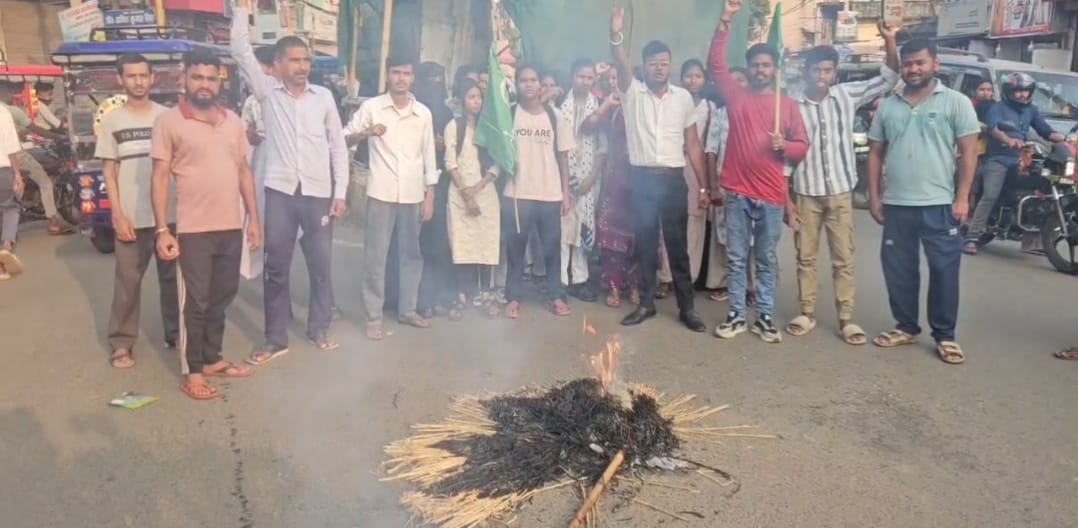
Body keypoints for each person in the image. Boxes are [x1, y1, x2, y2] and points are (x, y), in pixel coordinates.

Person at [231, 0, 350, 359]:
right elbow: (239, 50)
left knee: (320, 267)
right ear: (278, 65)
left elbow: (337, 148)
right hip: (280, 193)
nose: (302, 67)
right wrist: (240, 10)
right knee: (276, 268)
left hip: (317, 195)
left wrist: (340, 192)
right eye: (295, 60)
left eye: (306, 61)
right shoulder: (268, 93)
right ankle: (275, 339)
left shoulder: (324, 98)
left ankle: (318, 329)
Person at [150, 49, 262, 400]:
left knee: (222, 297)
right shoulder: (169, 122)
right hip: (192, 230)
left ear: (220, 81)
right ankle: (192, 371)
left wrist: (254, 220)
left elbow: (244, 171)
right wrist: (161, 230)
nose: (204, 84)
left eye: (210, 78)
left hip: (230, 226)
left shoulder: (232, 121)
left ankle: (212, 358)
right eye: (197, 77)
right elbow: (159, 177)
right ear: (184, 79)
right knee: (195, 303)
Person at [784, 25, 900, 345]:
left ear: (835, 71)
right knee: (805, 257)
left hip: (839, 192)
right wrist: (787, 200)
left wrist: (890, 40)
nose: (822, 75)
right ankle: (806, 313)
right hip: (805, 192)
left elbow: (889, 77)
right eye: (817, 70)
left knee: (843, 259)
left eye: (828, 70)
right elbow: (785, 157)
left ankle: (846, 319)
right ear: (806, 72)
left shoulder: (847, 94)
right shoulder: (791, 103)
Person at [866, 38, 980, 365]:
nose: (914, 69)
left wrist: (961, 198)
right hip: (898, 204)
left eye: (920, 63)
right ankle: (905, 327)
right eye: (908, 64)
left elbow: (969, 154)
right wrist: (875, 197)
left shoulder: (956, 102)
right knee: (899, 270)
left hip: (940, 204)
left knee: (944, 271)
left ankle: (945, 335)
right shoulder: (888, 105)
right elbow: (875, 153)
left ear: (935, 64)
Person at [708, 0, 809, 342]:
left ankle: (763, 316)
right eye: (755, 65)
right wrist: (725, 22)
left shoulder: (788, 105)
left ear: (774, 69)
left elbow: (802, 145)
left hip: (770, 196)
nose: (760, 70)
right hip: (736, 191)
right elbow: (715, 65)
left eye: (766, 65)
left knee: (765, 260)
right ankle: (736, 315)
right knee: (737, 259)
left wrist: (786, 147)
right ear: (749, 69)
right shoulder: (736, 96)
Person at [609, 7, 710, 332]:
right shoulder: (632, 93)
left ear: (671, 65)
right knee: (645, 244)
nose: (659, 68)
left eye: (664, 63)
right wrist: (616, 34)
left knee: (678, 246)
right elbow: (620, 63)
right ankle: (647, 305)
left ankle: (687, 308)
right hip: (642, 181)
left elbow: (693, 144)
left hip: (672, 182)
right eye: (653, 63)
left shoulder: (683, 98)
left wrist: (705, 187)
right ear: (645, 66)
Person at [96, 53, 180, 369]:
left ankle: (175, 335)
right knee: (128, 282)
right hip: (132, 216)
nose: (139, 81)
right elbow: (108, 170)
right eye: (131, 76)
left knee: (173, 280)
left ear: (153, 78)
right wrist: (117, 214)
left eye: (143, 75)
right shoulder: (112, 121)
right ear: (121, 80)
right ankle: (121, 343)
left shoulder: (167, 117)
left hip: (168, 216)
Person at [345, 54, 438, 340]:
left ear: (413, 78)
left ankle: (408, 310)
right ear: (387, 75)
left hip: (412, 193)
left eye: (406, 73)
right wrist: (366, 132)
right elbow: (344, 137)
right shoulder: (372, 107)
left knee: (412, 255)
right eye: (396, 72)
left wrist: (429, 195)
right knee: (376, 256)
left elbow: (428, 156)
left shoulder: (423, 113)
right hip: (381, 192)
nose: (401, 78)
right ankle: (373, 316)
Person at [503, 64, 576, 319]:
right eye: (523, 80)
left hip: (549, 192)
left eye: (534, 80)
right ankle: (512, 297)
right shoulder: (509, 115)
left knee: (552, 248)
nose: (529, 84)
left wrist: (566, 193)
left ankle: (556, 296)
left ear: (541, 85)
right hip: (517, 192)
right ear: (516, 84)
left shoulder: (555, 117)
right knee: (515, 249)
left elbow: (563, 157)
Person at [964, 72, 1064, 254]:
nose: (1022, 95)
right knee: (990, 195)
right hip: (999, 158)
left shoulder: (1031, 109)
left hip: (1023, 158)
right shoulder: (998, 108)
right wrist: (1008, 140)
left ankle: (1036, 240)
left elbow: (1045, 130)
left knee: (1042, 190)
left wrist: (1065, 139)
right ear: (1009, 91)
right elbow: (994, 129)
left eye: (1026, 91)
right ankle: (972, 236)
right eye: (1018, 91)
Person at [445, 79, 501, 317]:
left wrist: (477, 188)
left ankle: (486, 295)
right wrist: (465, 194)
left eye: (479, 97)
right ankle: (461, 296)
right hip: (459, 195)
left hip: (486, 194)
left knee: (486, 245)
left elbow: (499, 164)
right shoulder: (453, 126)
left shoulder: (490, 128)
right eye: (471, 97)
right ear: (461, 100)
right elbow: (450, 162)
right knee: (462, 245)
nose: (476, 101)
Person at [558, 58, 612, 303]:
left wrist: (591, 177)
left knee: (583, 227)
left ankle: (579, 279)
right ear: (572, 77)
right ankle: (559, 280)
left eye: (590, 77)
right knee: (562, 227)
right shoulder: (559, 104)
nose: (585, 81)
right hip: (562, 175)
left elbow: (602, 147)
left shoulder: (599, 105)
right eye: (581, 76)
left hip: (589, 176)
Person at [703, 66, 756, 304]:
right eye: (731, 81)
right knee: (727, 237)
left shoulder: (759, 110)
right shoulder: (720, 114)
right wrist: (713, 186)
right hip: (726, 183)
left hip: (755, 184)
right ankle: (728, 284)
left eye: (741, 80)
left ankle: (751, 287)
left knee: (753, 237)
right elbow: (711, 149)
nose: (736, 85)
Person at [0, 81, 73, 235]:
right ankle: (53, 222)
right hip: (14, 155)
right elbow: (37, 129)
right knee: (45, 182)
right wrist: (58, 138)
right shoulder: (12, 111)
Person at [416, 61, 459, 319]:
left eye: (439, 78)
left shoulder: (446, 113)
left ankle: (436, 298)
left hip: (440, 186)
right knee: (412, 247)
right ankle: (413, 300)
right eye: (430, 78)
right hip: (411, 183)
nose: (436, 83)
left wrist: (444, 146)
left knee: (438, 245)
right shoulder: (416, 111)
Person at [595, 68, 641, 308]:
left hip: (641, 178)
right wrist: (608, 105)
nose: (615, 83)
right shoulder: (610, 108)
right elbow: (589, 126)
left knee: (638, 235)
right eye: (610, 79)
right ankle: (613, 286)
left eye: (620, 78)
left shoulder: (644, 106)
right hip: (615, 178)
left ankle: (633, 285)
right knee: (610, 236)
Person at [679, 58, 722, 286]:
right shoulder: (673, 102)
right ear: (680, 78)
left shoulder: (710, 108)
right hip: (674, 164)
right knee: (669, 222)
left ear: (704, 80)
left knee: (694, 223)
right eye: (688, 75)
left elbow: (709, 144)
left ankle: (690, 276)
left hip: (697, 169)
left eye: (697, 76)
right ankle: (667, 277)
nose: (692, 80)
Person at [0, 103, 23, 281]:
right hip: (2, 169)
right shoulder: (3, 112)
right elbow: (11, 146)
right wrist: (17, 173)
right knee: (10, 208)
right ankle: (5, 247)